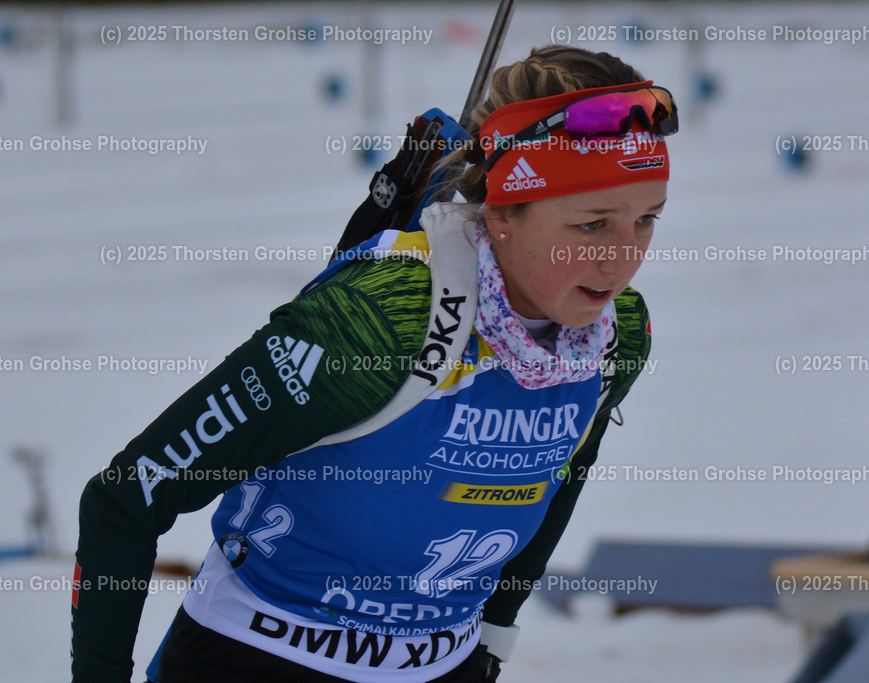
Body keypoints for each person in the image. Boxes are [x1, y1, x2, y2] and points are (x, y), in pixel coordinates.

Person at [71, 44, 675, 682]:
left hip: (442, 664)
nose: (622, 258)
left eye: (646, 220)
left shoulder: (616, 337)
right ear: (502, 213)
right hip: (263, 658)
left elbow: (560, 482)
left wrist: (493, 641)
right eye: (591, 225)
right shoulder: (380, 323)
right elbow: (128, 496)